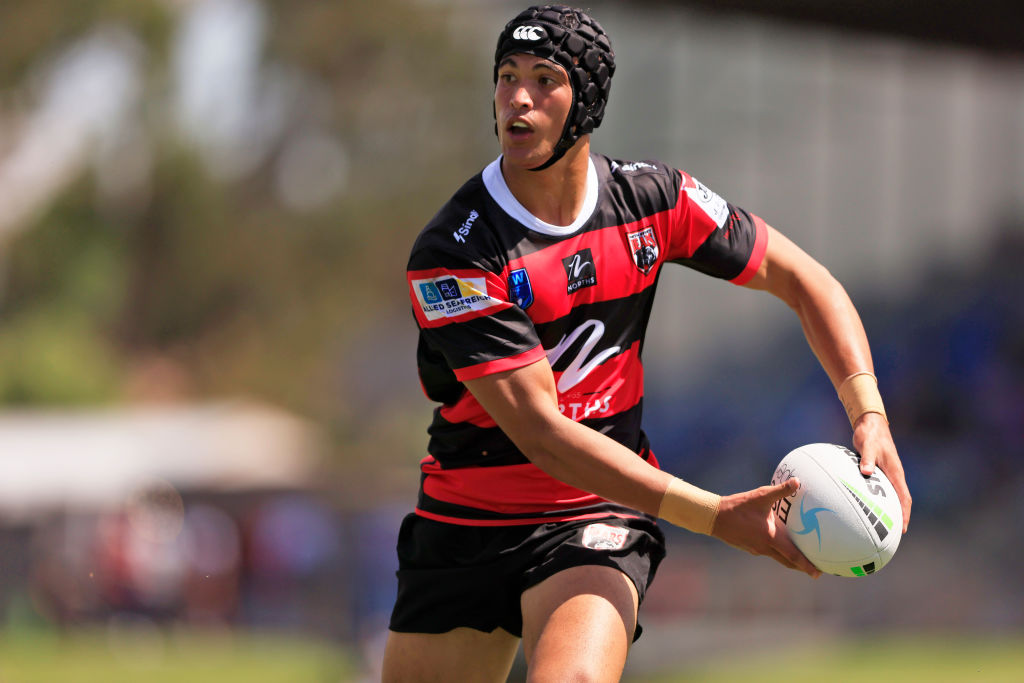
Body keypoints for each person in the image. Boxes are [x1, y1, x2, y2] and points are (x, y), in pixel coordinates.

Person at [383, 5, 912, 682]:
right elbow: (542, 434)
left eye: (545, 79)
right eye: (507, 76)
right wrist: (716, 516)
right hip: (464, 518)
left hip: (594, 516)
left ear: (588, 101)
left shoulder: (654, 199)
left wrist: (870, 413)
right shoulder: (455, 251)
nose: (518, 96)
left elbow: (809, 281)